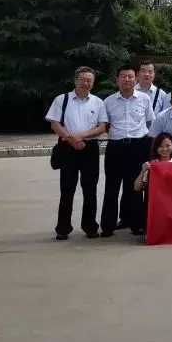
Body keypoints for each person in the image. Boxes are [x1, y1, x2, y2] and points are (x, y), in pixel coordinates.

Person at [47, 66, 108, 240]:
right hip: (67, 148)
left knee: (90, 189)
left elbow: (102, 127)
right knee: (67, 189)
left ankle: (90, 226)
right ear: (75, 80)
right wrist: (71, 139)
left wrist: (81, 136)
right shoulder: (62, 99)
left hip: (90, 148)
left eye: (89, 80)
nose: (85, 83)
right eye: (82, 79)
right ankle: (63, 228)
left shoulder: (98, 102)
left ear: (93, 83)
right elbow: (54, 124)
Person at [101, 64, 156, 237]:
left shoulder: (144, 99)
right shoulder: (108, 101)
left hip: (138, 146)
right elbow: (105, 125)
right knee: (112, 186)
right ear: (117, 79)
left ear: (136, 78)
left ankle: (136, 224)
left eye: (130, 76)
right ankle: (107, 225)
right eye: (123, 76)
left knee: (134, 186)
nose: (127, 79)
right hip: (116, 146)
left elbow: (150, 122)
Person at [133, 132, 172, 236]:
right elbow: (137, 187)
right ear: (156, 148)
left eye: (167, 145)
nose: (164, 149)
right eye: (161, 146)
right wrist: (143, 171)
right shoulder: (151, 166)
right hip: (155, 209)